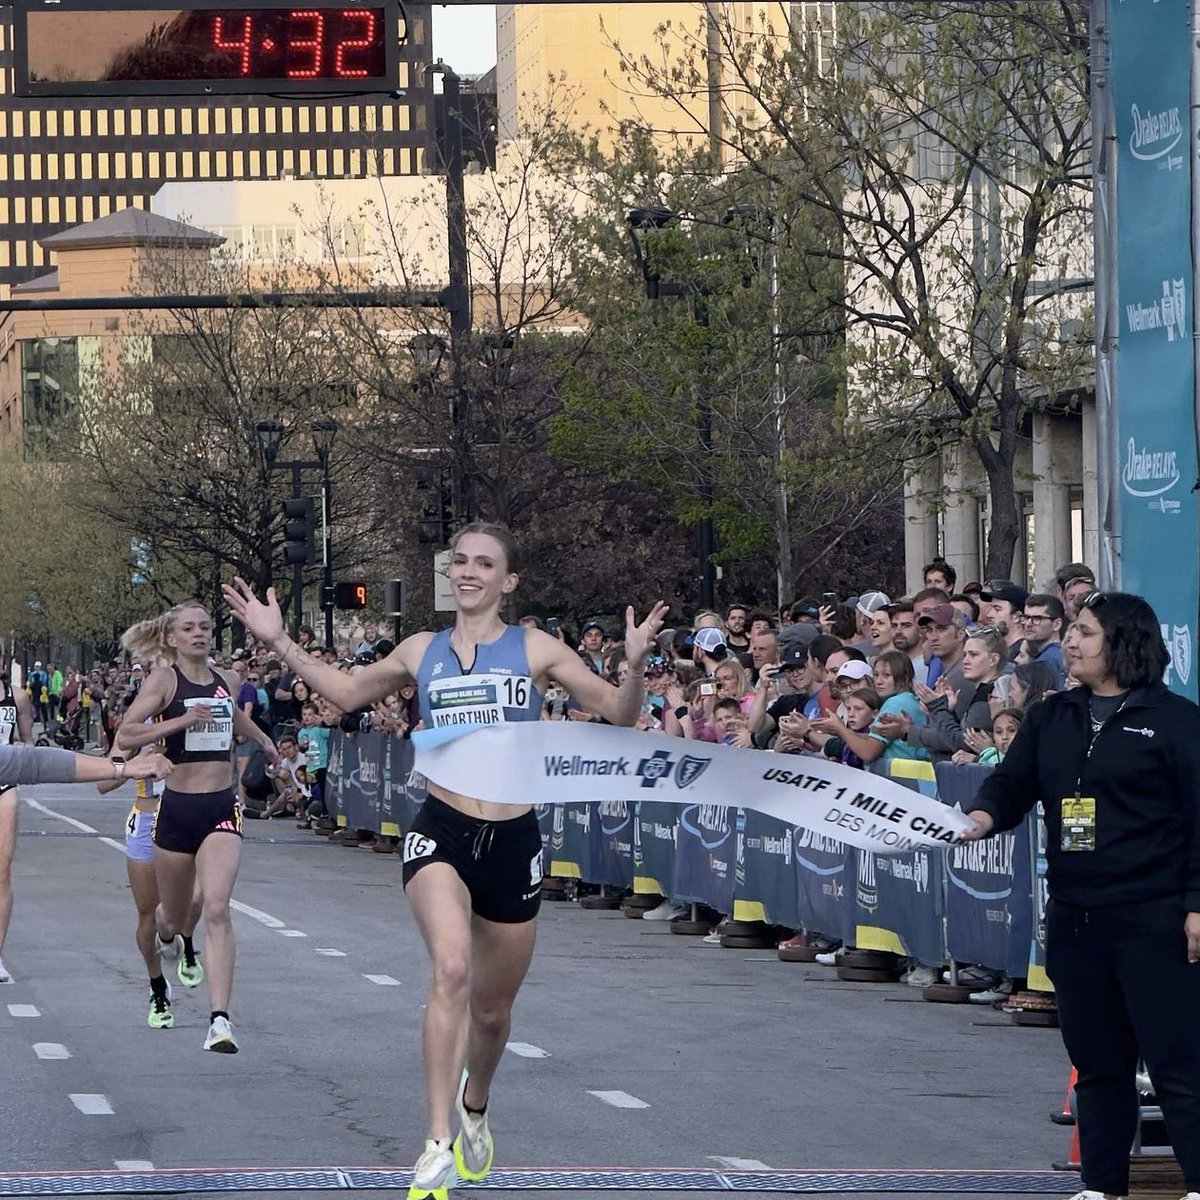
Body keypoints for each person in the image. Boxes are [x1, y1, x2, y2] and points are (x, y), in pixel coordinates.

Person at [223, 522, 667, 1200]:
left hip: (513, 841)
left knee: (491, 1014)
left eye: (484, 563)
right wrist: (278, 639)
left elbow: (620, 715)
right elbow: (344, 694)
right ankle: (435, 1142)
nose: (468, 572)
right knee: (451, 967)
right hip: (441, 829)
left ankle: (475, 1104)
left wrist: (633, 666)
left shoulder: (536, 649)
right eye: (459, 561)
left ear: (506, 580)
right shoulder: (420, 649)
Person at [962, 592, 1200, 1200]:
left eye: (1086, 633)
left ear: (1125, 643)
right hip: (1075, 914)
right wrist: (982, 816)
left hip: (1156, 915)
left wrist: (1196, 905)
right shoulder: (1052, 716)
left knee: (1178, 1064)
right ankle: (1102, 1186)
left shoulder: (1176, 720)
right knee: (1098, 1063)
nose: (1071, 642)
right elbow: (1012, 783)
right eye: (1071, 631)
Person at [116, 601, 278, 1055]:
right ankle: (171, 939)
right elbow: (127, 734)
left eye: (205, 627)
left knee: (218, 906)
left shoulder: (226, 680)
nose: (199, 634)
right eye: (188, 628)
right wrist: (182, 720)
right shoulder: (164, 681)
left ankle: (219, 1020)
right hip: (177, 809)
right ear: (171, 638)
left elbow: (232, 715)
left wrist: (263, 738)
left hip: (221, 805)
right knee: (171, 915)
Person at [96, 731, 204, 1028]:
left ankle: (186, 939)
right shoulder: (136, 725)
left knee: (196, 896)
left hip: (187, 813)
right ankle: (157, 987)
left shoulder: (193, 713)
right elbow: (103, 783)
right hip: (146, 817)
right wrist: (136, 762)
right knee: (147, 914)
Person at [0, 671, 34, 984]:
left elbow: (27, 740)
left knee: (3, 871)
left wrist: (26, 750)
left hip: (5, 780)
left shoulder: (17, 697)